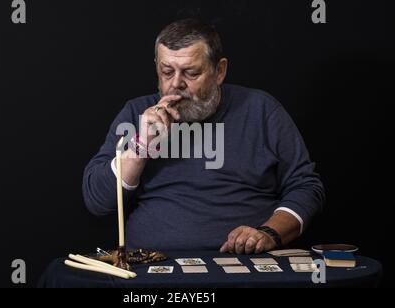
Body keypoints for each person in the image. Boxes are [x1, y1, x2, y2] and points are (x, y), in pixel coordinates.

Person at [83, 19, 325, 254]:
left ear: (219, 71)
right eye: (166, 72)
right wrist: (141, 147)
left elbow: (306, 186)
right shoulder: (137, 113)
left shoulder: (260, 110)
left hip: (243, 262)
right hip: (150, 263)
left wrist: (269, 233)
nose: (176, 84)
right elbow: (97, 200)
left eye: (191, 73)